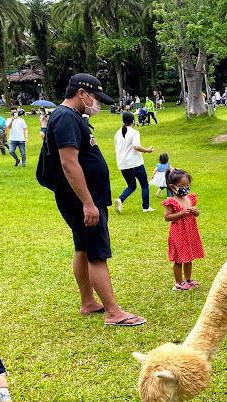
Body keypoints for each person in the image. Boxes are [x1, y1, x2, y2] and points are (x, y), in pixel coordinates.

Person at [46, 73, 145, 326]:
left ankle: (88, 302)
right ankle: (113, 312)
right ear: (82, 93)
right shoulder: (66, 117)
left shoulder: (69, 116)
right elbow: (69, 164)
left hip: (84, 198)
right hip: (84, 200)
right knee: (97, 253)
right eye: (96, 97)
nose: (98, 103)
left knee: (83, 248)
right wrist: (88, 204)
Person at [162, 169, 204, 290]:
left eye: (187, 185)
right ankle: (178, 283)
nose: (186, 188)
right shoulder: (172, 202)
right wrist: (180, 213)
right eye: (182, 186)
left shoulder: (189, 198)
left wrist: (196, 211)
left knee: (189, 258)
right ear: (173, 187)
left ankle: (188, 279)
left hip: (189, 233)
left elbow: (196, 214)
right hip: (178, 234)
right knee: (179, 259)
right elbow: (167, 217)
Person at [114, 111, 155, 213]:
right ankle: (145, 207)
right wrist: (147, 150)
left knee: (131, 186)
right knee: (144, 185)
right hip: (135, 163)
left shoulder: (117, 133)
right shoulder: (134, 132)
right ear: (133, 121)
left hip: (123, 164)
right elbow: (136, 146)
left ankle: (120, 199)